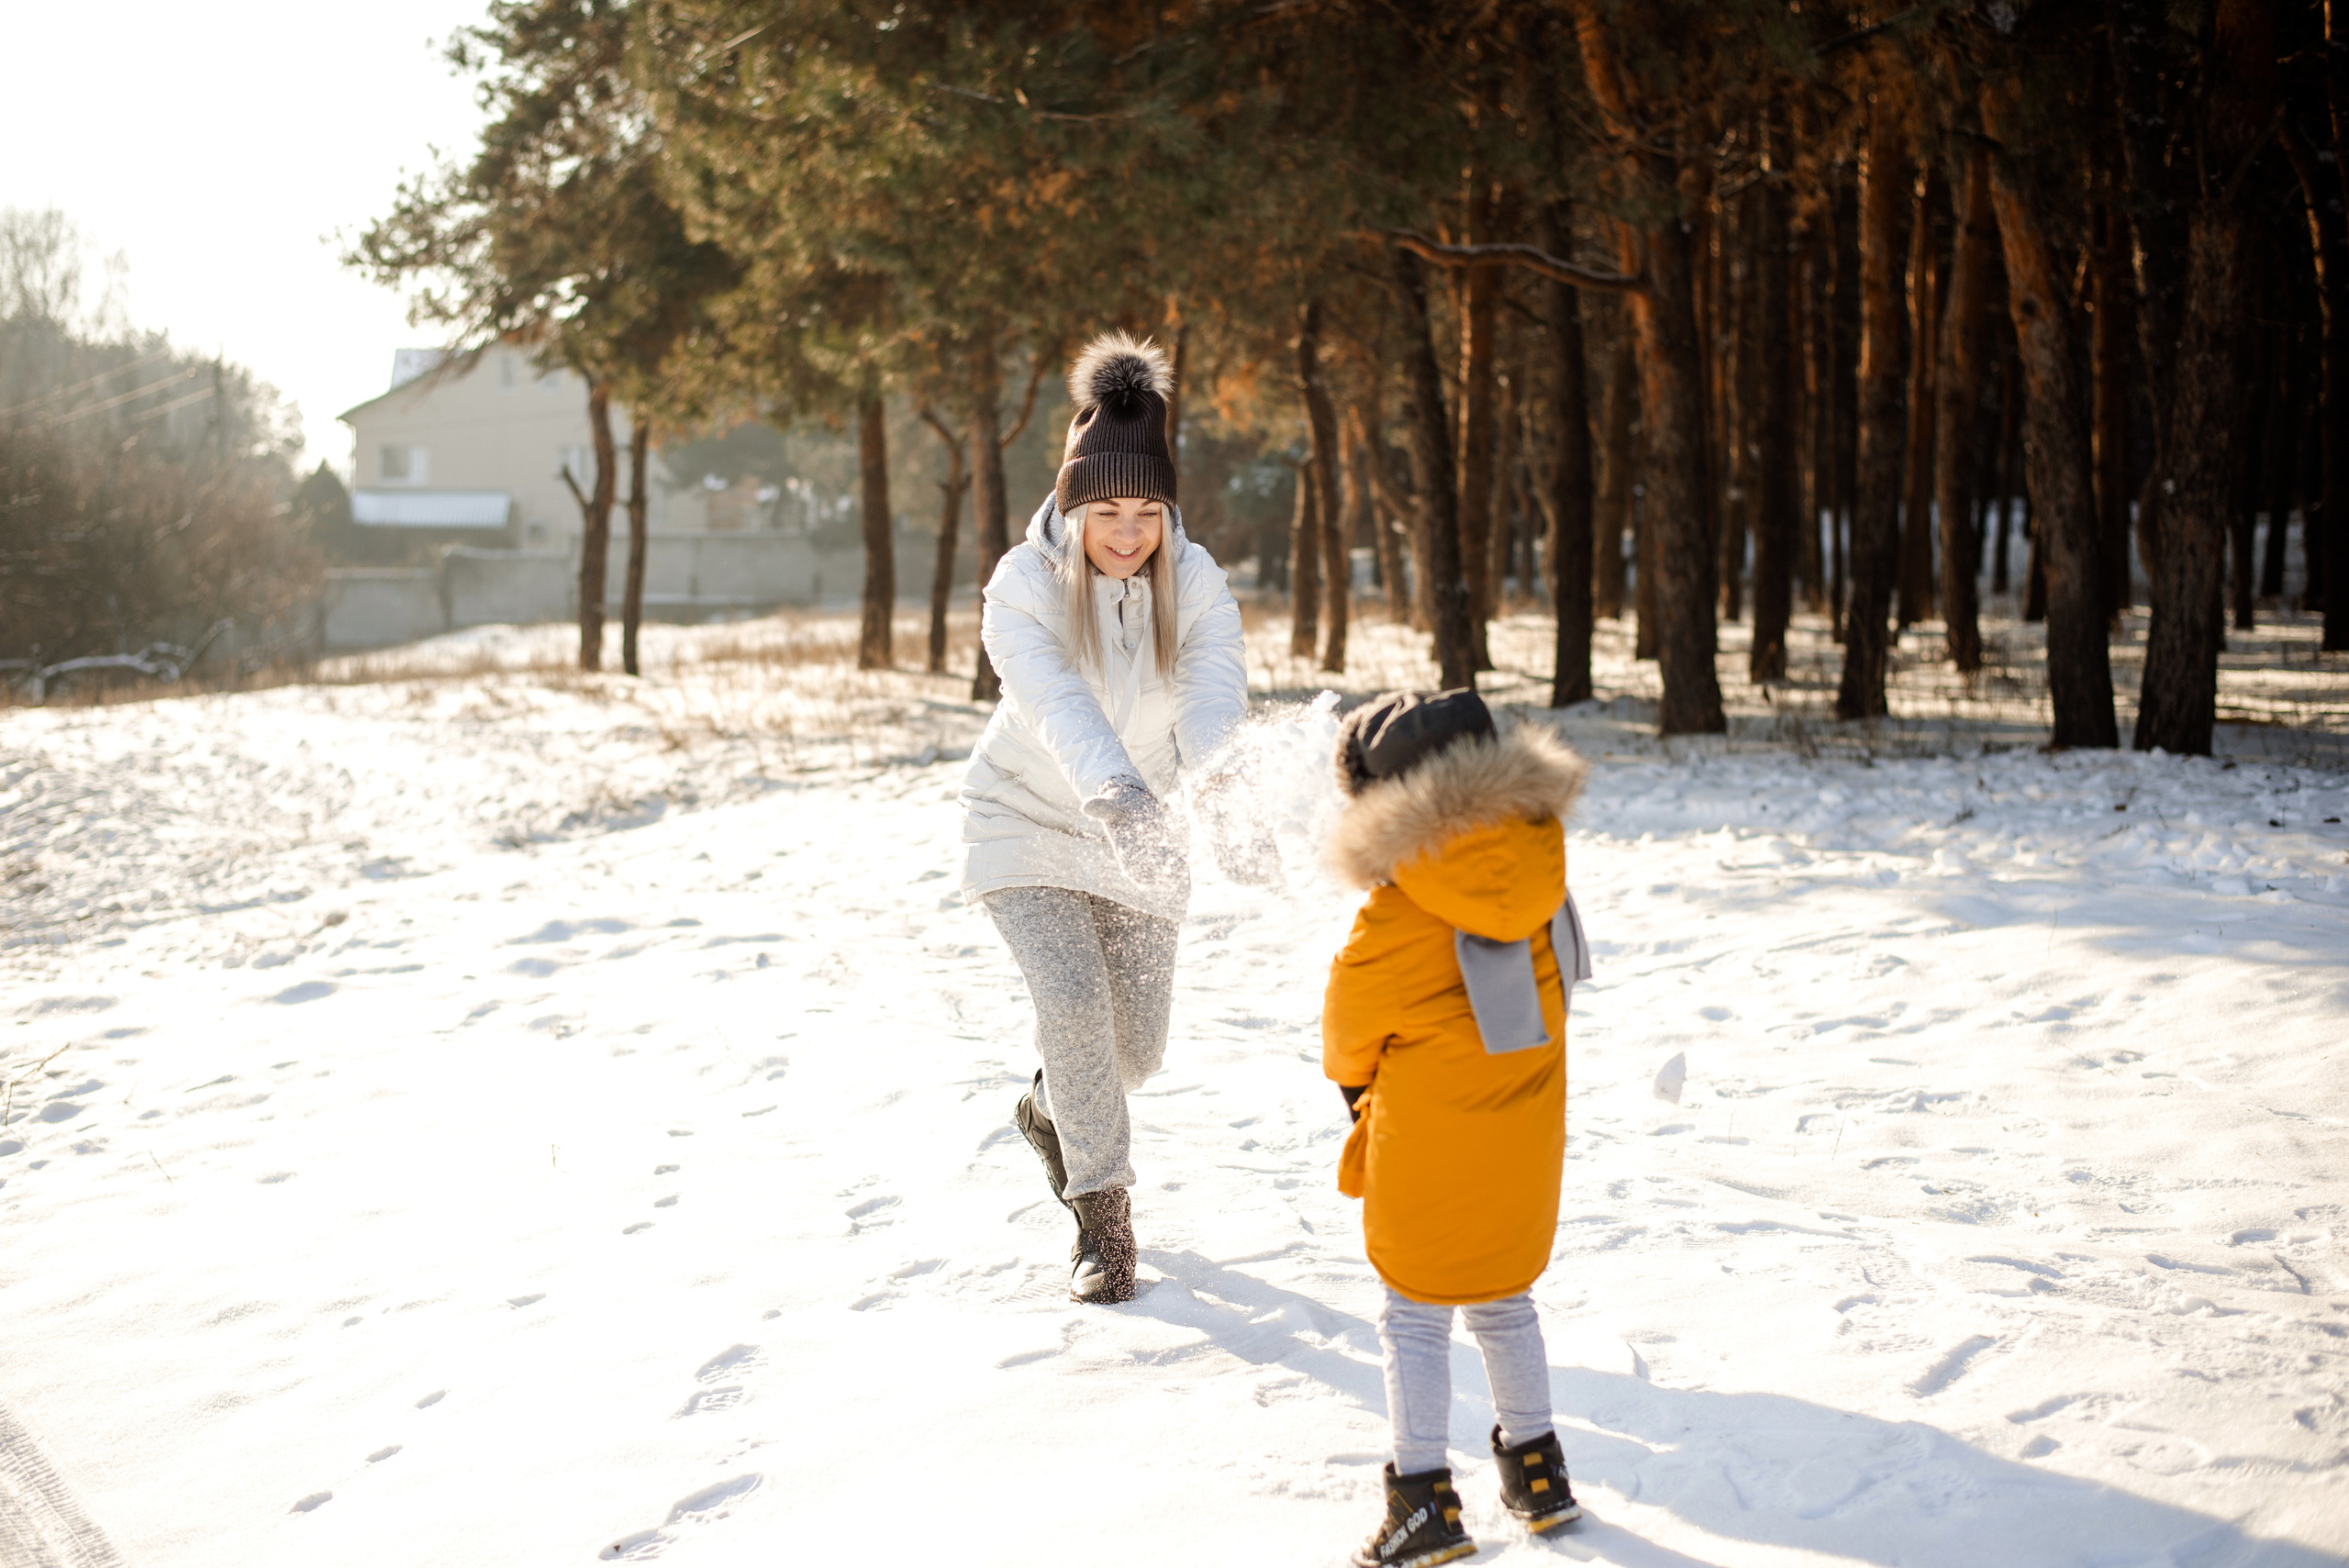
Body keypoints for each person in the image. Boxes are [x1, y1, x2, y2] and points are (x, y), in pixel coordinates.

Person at [958, 330, 1253, 1305]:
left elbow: (1213, 700)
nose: (1126, 533)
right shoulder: (1021, 586)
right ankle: (1103, 1220)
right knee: (1076, 1007)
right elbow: (1057, 705)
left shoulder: (1200, 583)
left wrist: (1218, 792)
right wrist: (1119, 792)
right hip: (1029, 822)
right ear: (1071, 504)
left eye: (1146, 511)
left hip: (1144, 837)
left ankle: (1052, 1104)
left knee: (1133, 1053)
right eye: (1105, 510)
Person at [1320, 689, 1593, 1566]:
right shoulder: (1540, 867)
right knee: (1505, 1300)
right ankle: (1539, 1470)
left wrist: (1357, 1088)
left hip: (1427, 1140)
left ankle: (1423, 1502)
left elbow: (1350, 1022)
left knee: (1413, 1313)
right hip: (1521, 1131)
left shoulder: (1400, 908)